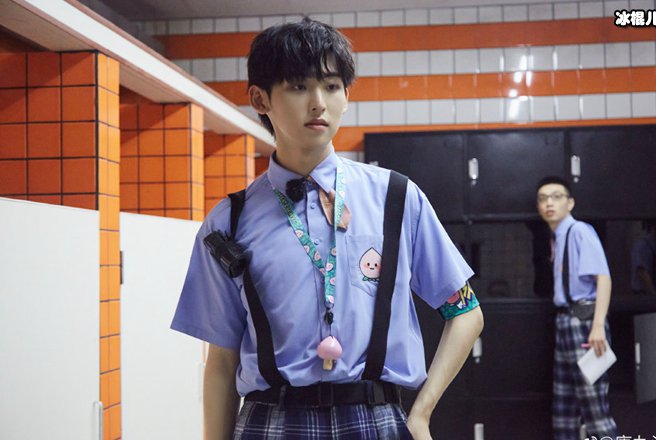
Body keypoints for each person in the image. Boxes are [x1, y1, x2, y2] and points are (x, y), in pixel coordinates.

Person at [171, 18, 483, 440]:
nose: (318, 103)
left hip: (376, 419)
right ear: (260, 98)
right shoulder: (230, 220)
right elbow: (222, 362)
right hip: (271, 421)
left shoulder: (396, 198)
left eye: (332, 86)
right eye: (299, 87)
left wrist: (421, 414)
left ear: (346, 96)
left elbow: (466, 313)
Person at [536, 176, 618, 440]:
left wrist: (598, 326)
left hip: (584, 322)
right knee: (565, 408)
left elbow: (603, 278)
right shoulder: (557, 237)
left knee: (594, 408)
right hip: (565, 323)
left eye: (556, 197)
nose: (549, 203)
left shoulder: (579, 231)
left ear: (570, 203)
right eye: (543, 198)